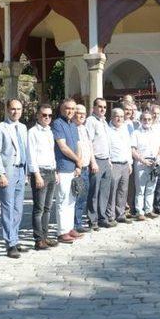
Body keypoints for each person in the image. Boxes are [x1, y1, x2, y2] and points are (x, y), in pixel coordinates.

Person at [0, 99, 29, 258]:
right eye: (13, 109)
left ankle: (14, 237)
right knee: (8, 208)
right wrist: (0, 173)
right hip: (7, 173)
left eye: (19, 109)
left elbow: (25, 151)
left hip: (21, 171)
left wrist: (26, 173)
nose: (16, 112)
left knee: (18, 209)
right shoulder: (0, 128)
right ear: (7, 110)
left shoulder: (23, 127)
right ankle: (10, 243)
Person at [26, 103, 59, 251]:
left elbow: (51, 153)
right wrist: (36, 174)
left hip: (51, 171)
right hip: (40, 173)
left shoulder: (49, 132)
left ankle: (45, 236)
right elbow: (31, 155)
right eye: (44, 115)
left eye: (49, 115)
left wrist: (55, 171)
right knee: (38, 208)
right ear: (38, 115)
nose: (47, 118)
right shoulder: (33, 132)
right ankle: (38, 240)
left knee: (48, 207)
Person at [51, 99, 84, 243]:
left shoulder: (73, 125)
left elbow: (78, 145)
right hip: (63, 167)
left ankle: (70, 228)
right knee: (62, 200)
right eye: (67, 108)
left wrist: (78, 164)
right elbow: (63, 147)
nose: (70, 111)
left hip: (73, 168)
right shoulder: (58, 124)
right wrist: (77, 160)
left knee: (72, 200)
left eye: (72, 109)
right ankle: (62, 232)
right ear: (61, 109)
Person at [132, 106, 160, 219]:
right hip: (141, 162)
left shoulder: (157, 132)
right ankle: (140, 212)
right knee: (140, 189)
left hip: (154, 162)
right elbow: (132, 149)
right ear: (141, 120)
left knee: (151, 188)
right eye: (144, 119)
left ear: (152, 120)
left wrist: (158, 157)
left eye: (149, 119)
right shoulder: (136, 133)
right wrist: (142, 160)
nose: (147, 121)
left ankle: (148, 210)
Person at [85, 98, 114, 230]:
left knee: (104, 191)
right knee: (94, 192)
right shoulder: (91, 121)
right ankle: (93, 220)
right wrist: (93, 162)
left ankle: (102, 217)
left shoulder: (104, 122)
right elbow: (89, 142)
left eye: (104, 107)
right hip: (96, 160)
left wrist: (109, 160)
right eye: (100, 107)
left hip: (106, 160)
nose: (103, 109)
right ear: (94, 107)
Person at [107, 107, 133, 224]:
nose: (119, 118)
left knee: (123, 190)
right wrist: (109, 162)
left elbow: (128, 147)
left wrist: (130, 163)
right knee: (112, 190)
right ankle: (111, 215)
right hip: (114, 164)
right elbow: (107, 147)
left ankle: (120, 214)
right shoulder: (108, 130)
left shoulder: (125, 129)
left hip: (125, 163)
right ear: (112, 117)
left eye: (122, 116)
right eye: (117, 116)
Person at [73, 104, 95, 233]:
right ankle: (74, 224)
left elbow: (89, 147)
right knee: (76, 197)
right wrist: (78, 165)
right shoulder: (72, 129)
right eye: (79, 113)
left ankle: (78, 223)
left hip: (86, 167)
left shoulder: (84, 129)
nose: (81, 115)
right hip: (78, 168)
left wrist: (93, 162)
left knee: (83, 197)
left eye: (84, 113)